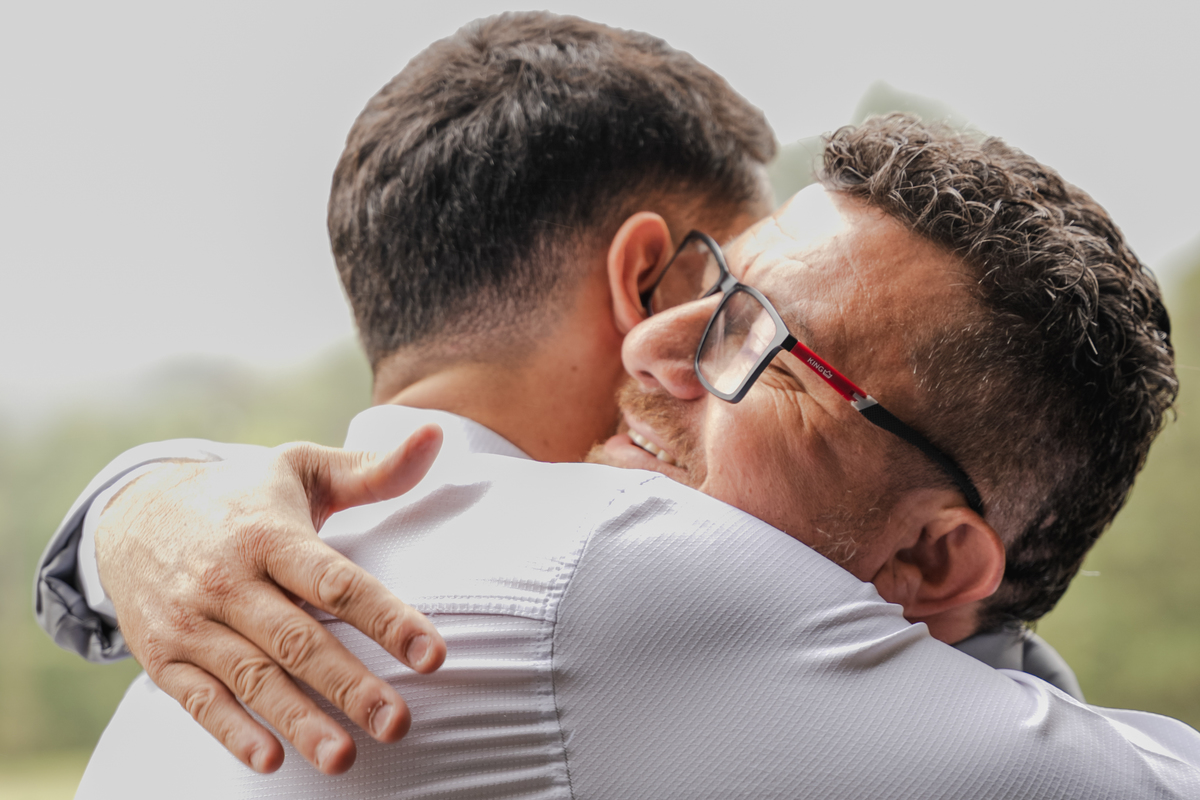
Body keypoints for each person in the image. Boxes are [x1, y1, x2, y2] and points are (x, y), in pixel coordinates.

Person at [45, 12, 1200, 798]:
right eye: (708, 284)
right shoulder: (611, 568)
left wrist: (126, 505)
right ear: (630, 269)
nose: (651, 344)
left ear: (939, 556)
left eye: (757, 336)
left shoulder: (278, 555)